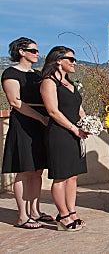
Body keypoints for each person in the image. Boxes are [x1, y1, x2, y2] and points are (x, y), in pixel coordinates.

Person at [1, 37, 52, 229]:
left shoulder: (37, 75)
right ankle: (22, 215)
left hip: (41, 124)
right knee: (24, 170)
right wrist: (40, 118)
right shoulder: (10, 73)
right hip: (24, 124)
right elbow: (15, 102)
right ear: (21, 52)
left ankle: (35, 211)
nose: (37, 54)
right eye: (33, 50)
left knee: (38, 170)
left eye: (37, 51)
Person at [40, 46, 89, 231]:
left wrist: (87, 123)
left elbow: (79, 108)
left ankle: (71, 211)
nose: (74, 63)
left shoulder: (71, 83)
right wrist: (73, 128)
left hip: (76, 133)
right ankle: (63, 215)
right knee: (61, 176)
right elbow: (53, 111)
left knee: (72, 175)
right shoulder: (49, 82)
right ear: (58, 60)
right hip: (59, 134)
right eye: (71, 59)